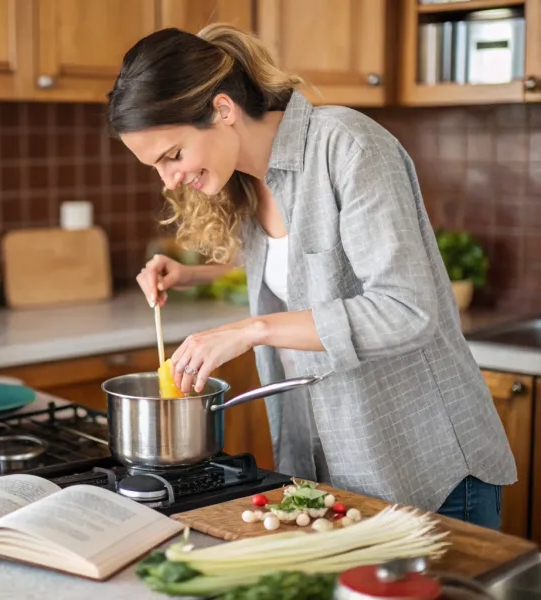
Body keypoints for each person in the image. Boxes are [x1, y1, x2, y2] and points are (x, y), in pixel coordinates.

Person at [105, 23, 515, 530]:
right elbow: (302, 260)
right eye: (156, 166)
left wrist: (253, 330)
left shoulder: (349, 147)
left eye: (173, 155)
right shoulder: (250, 180)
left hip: (425, 466)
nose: (169, 179)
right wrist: (190, 273)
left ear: (223, 110)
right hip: (335, 467)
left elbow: (407, 311)